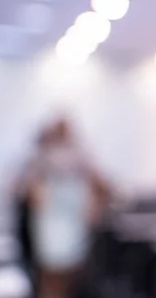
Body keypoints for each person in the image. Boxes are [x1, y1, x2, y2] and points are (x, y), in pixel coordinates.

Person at [15, 118, 109, 298]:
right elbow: (26, 190)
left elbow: (99, 183)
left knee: (71, 273)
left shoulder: (81, 155)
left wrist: (93, 206)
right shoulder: (41, 157)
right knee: (50, 272)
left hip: (72, 222)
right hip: (50, 222)